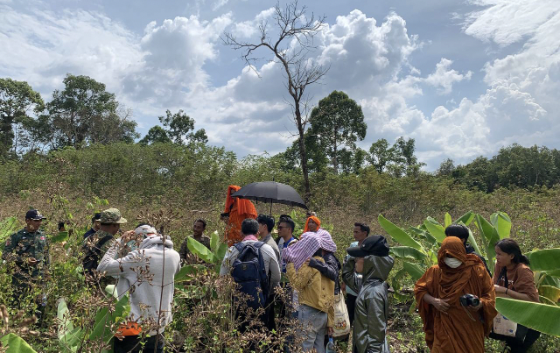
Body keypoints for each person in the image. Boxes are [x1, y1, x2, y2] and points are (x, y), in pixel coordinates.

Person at [97, 225, 181, 353]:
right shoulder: (174, 255)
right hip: (159, 325)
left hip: (133, 326)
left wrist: (118, 242)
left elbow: (102, 268)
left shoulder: (138, 257)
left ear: (139, 238)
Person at [414, 237, 497, 352]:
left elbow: (490, 296)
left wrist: (481, 304)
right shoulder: (435, 272)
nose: (452, 259)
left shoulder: (477, 271)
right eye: (448, 256)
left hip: (470, 327)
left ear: (462, 253)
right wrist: (434, 301)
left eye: (456, 255)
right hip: (444, 326)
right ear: (442, 255)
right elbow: (419, 290)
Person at [220, 218, 281, 332]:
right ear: (258, 233)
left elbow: (223, 276)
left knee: (239, 332)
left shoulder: (232, 250)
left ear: (241, 232)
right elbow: (277, 277)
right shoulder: (267, 249)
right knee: (259, 333)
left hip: (238, 301)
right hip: (261, 300)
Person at [284, 232, 335, 353]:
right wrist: (331, 321)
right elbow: (331, 296)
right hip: (323, 314)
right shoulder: (327, 266)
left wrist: (290, 265)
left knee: (304, 348)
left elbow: (297, 284)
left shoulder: (310, 265)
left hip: (308, 312)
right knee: (319, 348)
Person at [342, 235, 394, 353]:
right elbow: (347, 276)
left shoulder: (373, 293)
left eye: (358, 257)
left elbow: (376, 337)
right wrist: (351, 258)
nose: (356, 260)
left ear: (371, 261)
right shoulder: (368, 284)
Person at [493, 238, 540, 352]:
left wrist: (505, 290)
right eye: (496, 254)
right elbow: (492, 286)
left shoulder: (523, 271)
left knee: (517, 349)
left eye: (500, 254)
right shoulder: (500, 266)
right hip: (508, 317)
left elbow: (532, 299)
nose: (497, 257)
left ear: (511, 256)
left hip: (526, 320)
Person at [2, 209, 49, 319]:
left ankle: (37, 325)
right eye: (36, 220)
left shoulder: (42, 236)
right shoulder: (16, 236)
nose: (39, 223)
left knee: (39, 302)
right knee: (19, 301)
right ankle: (17, 325)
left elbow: (46, 255)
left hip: (39, 275)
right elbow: (5, 255)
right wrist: (24, 260)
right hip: (21, 276)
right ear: (27, 221)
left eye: (40, 220)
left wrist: (47, 272)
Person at [82, 208, 127, 277]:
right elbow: (118, 267)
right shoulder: (112, 243)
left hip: (86, 281)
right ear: (115, 225)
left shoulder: (88, 238)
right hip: (103, 284)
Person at [343, 222, 370, 326]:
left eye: (357, 232)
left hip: (363, 286)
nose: (354, 234)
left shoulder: (370, 247)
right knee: (349, 313)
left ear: (365, 233)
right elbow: (347, 263)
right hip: (351, 285)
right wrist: (344, 282)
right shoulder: (353, 246)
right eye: (353, 232)